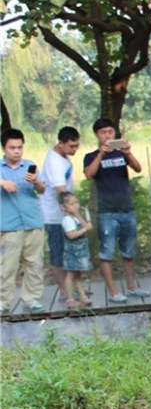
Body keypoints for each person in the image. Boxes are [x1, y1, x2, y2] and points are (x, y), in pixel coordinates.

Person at [83, 117, 150, 303]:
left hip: (127, 209)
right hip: (106, 211)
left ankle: (132, 287)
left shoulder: (121, 154)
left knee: (128, 251)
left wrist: (128, 153)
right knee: (107, 252)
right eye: (103, 132)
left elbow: (138, 168)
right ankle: (113, 291)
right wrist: (100, 155)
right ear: (97, 135)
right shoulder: (91, 156)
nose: (107, 135)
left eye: (110, 132)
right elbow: (89, 175)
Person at [0, 128, 46, 314]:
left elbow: (43, 190)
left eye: (19, 147)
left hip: (32, 222)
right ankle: (4, 301)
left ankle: (32, 299)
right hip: (9, 225)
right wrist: (2, 183)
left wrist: (36, 181)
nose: (17, 151)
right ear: (4, 148)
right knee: (7, 265)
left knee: (34, 264)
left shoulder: (29, 165)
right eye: (12, 148)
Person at [39, 126, 81, 301]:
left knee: (70, 252)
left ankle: (73, 288)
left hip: (65, 215)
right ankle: (64, 291)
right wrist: (76, 213)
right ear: (61, 143)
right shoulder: (54, 162)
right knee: (58, 253)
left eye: (77, 145)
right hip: (55, 216)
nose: (74, 150)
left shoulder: (63, 157)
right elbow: (61, 191)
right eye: (71, 146)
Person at [58, 192, 94, 310]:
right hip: (73, 252)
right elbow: (72, 235)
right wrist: (84, 229)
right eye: (71, 204)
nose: (75, 206)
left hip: (81, 251)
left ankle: (82, 295)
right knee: (71, 274)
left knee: (79, 274)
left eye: (76, 203)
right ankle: (70, 298)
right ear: (64, 207)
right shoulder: (67, 220)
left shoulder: (75, 218)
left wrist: (79, 216)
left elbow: (85, 225)